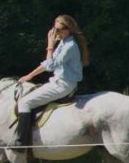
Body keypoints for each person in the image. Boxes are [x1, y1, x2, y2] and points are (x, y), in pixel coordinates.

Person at [16, 15, 89, 143]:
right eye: (55, 29)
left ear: (69, 29)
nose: (56, 33)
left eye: (59, 30)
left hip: (64, 85)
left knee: (24, 103)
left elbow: (50, 66)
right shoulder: (64, 42)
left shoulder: (70, 46)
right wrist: (30, 75)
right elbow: (47, 63)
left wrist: (50, 45)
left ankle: (21, 141)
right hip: (57, 82)